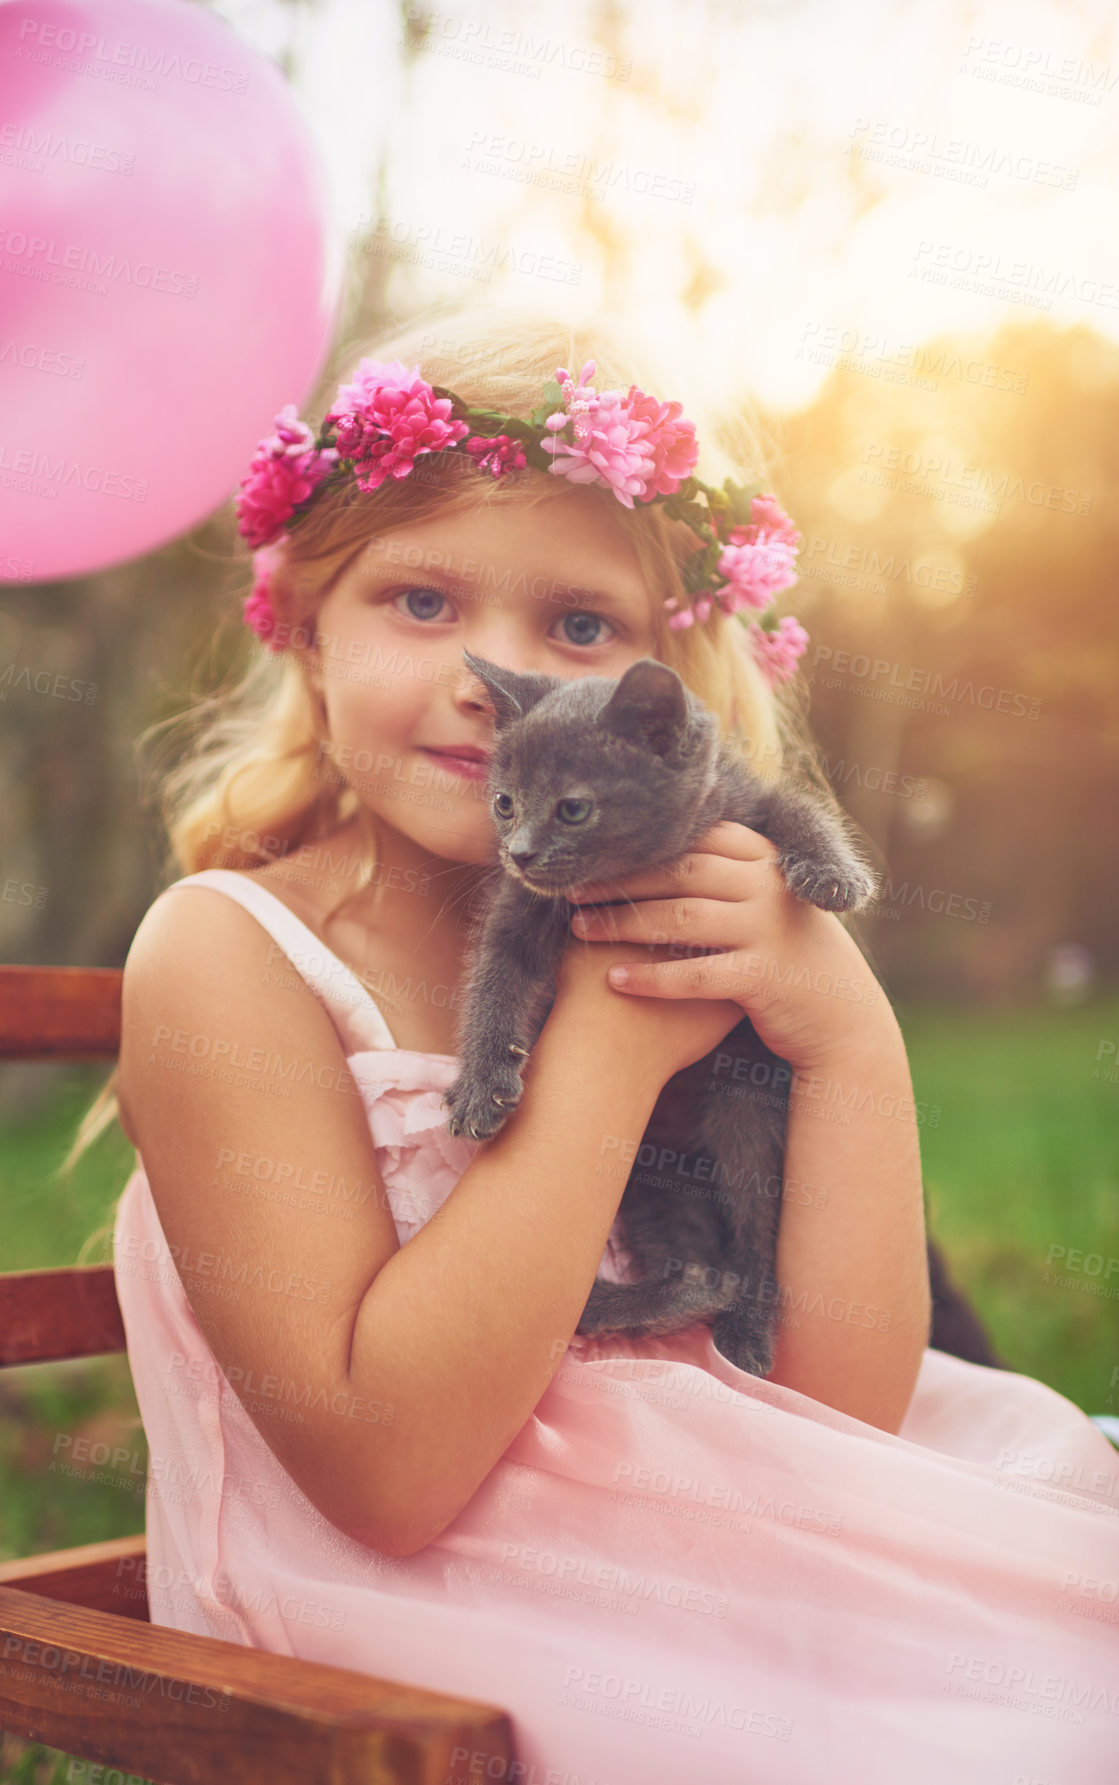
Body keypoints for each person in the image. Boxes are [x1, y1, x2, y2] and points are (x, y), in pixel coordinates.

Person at [69, 307, 1118, 1782]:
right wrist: (613, 1056)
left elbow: (844, 1405)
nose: (494, 677)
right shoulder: (228, 953)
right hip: (428, 1593)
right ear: (306, 633)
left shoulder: (695, 915)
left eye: (578, 625)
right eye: (420, 600)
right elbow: (386, 1472)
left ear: (660, 689)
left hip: (722, 1499)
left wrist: (848, 1036)